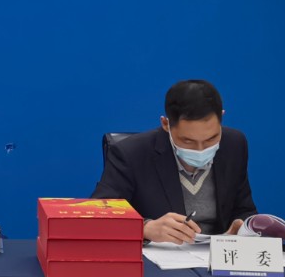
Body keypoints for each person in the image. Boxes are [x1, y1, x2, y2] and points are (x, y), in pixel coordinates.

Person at [91, 79, 257, 243]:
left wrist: (243, 226)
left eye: (211, 139)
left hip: (217, 253)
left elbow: (244, 209)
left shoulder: (234, 144)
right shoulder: (131, 153)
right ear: (166, 124)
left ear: (222, 117)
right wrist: (145, 228)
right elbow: (96, 216)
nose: (200, 150)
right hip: (160, 254)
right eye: (187, 141)